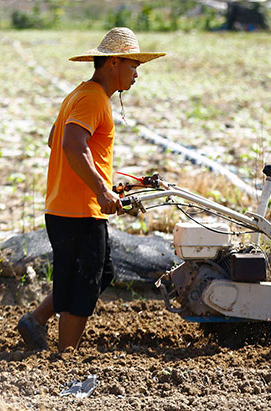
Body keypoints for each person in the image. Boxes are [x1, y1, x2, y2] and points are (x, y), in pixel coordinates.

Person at [16, 27, 165, 351]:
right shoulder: (94, 98)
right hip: (79, 211)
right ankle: (65, 354)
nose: (137, 73)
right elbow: (71, 143)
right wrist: (99, 189)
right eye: (133, 64)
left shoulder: (80, 94)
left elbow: (56, 137)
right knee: (85, 285)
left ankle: (36, 320)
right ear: (113, 62)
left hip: (66, 207)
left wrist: (101, 183)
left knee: (101, 272)